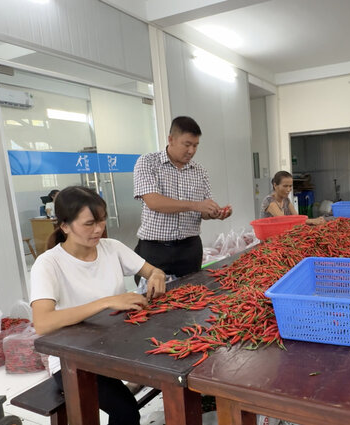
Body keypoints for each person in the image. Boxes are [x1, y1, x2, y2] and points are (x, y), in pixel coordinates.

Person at [30, 186, 166, 425]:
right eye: (89, 223)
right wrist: (106, 302)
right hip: (74, 358)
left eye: (102, 221)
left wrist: (157, 275)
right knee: (125, 411)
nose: (98, 229)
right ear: (64, 226)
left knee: (173, 370)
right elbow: (42, 323)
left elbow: (152, 270)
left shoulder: (111, 248)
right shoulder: (49, 263)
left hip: (117, 346)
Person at [133, 116, 232, 278]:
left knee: (192, 296)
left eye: (195, 145)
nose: (191, 151)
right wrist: (196, 205)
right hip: (155, 249)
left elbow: (203, 211)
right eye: (187, 145)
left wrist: (214, 213)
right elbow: (153, 201)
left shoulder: (200, 171)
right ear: (171, 139)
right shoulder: (148, 162)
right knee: (152, 298)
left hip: (189, 249)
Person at [260, 171, 325, 225]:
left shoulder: (286, 200)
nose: (288, 189)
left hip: (282, 235)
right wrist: (312, 221)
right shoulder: (269, 201)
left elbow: (297, 218)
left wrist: (317, 221)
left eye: (290, 186)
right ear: (275, 185)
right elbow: (283, 220)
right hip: (269, 237)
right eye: (285, 186)